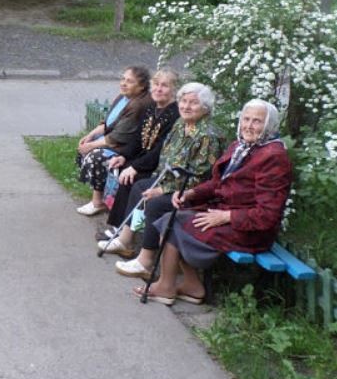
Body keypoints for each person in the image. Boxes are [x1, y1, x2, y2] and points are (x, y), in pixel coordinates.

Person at [132, 99, 292, 305]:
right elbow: (218, 183)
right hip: (227, 213)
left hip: (250, 229)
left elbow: (268, 215)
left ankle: (167, 286)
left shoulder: (273, 156)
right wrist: (190, 193)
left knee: (174, 223)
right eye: (246, 119)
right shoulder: (241, 146)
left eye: (257, 121)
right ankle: (190, 286)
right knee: (170, 218)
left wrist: (225, 217)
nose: (249, 126)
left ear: (269, 126)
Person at [101, 83, 225, 275]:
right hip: (170, 181)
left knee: (155, 203)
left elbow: (199, 177)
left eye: (193, 103)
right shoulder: (181, 124)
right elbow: (165, 157)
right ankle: (125, 240)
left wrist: (162, 189)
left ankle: (146, 261)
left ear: (205, 107)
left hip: (191, 192)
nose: (186, 106)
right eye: (183, 101)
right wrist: (157, 181)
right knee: (139, 186)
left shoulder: (208, 135)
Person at [101, 68, 180, 235]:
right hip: (144, 158)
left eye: (164, 86)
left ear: (174, 90)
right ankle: (118, 226)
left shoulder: (175, 115)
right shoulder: (152, 108)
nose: (158, 89)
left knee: (132, 178)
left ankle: (125, 231)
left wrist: (135, 166)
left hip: (158, 165)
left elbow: (161, 150)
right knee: (120, 167)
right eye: (156, 84)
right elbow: (138, 138)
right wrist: (123, 156)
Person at [75, 66, 152, 216]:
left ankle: (98, 202)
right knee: (85, 147)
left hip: (126, 147)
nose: (123, 83)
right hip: (113, 140)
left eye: (129, 81)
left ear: (142, 86)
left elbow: (118, 136)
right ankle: (103, 197)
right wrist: (90, 136)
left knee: (95, 156)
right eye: (123, 79)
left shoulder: (138, 104)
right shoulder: (122, 97)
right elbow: (107, 123)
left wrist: (91, 145)